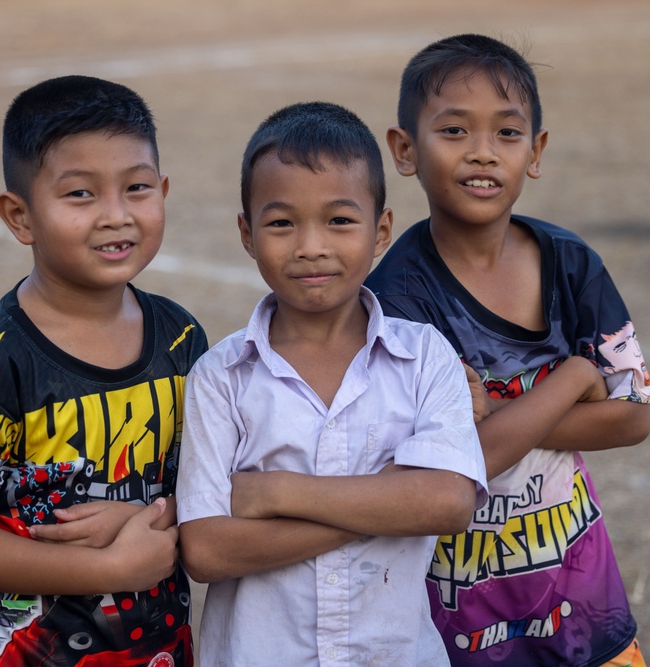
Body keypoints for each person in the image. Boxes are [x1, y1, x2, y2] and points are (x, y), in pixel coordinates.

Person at [0, 75, 207, 667]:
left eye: (137, 187)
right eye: (80, 195)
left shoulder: (183, 337)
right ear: (20, 216)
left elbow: (206, 487)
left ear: (164, 189)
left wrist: (153, 516)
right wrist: (107, 568)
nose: (116, 215)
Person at [364, 34, 650, 667]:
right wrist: (576, 374)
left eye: (508, 134)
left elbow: (632, 417)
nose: (483, 154)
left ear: (536, 151)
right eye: (455, 131)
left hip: (582, 595)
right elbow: (467, 461)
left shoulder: (570, 264)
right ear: (405, 150)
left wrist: (496, 413)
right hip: (460, 618)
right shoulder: (397, 302)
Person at [175, 101, 488, 666]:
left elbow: (446, 503)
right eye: (281, 223)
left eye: (340, 220)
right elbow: (207, 550)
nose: (311, 246)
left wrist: (276, 494)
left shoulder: (424, 357)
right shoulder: (220, 377)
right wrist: (388, 500)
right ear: (246, 233)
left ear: (381, 230)